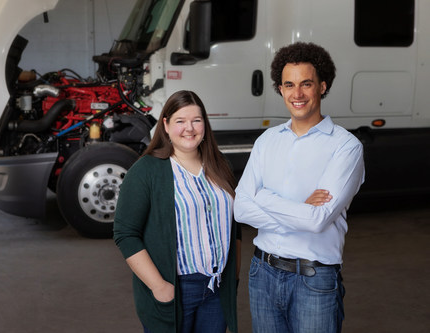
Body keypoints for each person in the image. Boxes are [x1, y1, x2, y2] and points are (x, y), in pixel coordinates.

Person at [234, 42, 365, 332]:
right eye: (289, 85)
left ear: (322, 86)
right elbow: (241, 209)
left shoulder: (345, 147)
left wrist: (264, 197)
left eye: (306, 84)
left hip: (313, 279)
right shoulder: (267, 141)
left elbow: (317, 221)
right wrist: (300, 210)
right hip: (262, 274)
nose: (297, 94)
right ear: (280, 89)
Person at [114, 90, 240, 333]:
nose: (189, 128)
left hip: (217, 290)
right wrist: (159, 286)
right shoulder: (147, 170)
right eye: (180, 121)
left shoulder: (219, 165)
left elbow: (234, 226)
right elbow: (125, 234)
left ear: (205, 123)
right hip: (177, 288)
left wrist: (232, 277)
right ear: (166, 125)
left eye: (196, 120)